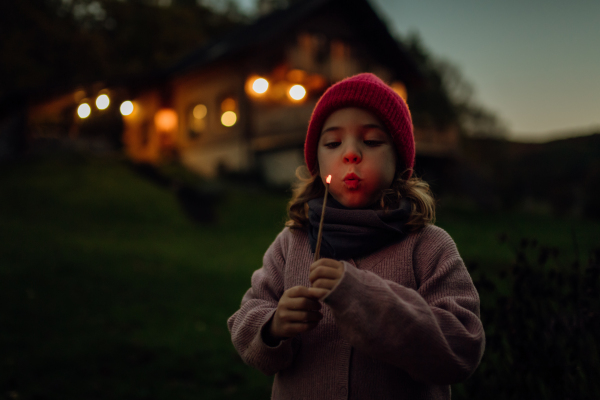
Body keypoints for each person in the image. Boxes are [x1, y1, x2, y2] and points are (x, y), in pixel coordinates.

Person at [227, 73, 485, 400]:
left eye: (372, 141)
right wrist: (273, 326)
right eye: (333, 143)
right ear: (317, 166)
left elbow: (461, 349)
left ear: (401, 165)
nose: (350, 154)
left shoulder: (429, 247)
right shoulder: (291, 244)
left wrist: (361, 295)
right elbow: (246, 319)